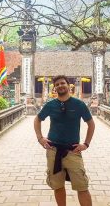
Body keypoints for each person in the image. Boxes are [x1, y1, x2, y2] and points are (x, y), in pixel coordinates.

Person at [34, 75, 95, 206]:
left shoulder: (79, 104)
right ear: (55, 88)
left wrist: (85, 144)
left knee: (82, 186)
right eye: (57, 85)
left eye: (63, 83)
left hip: (73, 150)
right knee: (58, 185)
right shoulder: (50, 105)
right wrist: (40, 138)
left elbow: (91, 124)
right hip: (53, 150)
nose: (60, 86)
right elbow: (37, 119)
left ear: (69, 85)